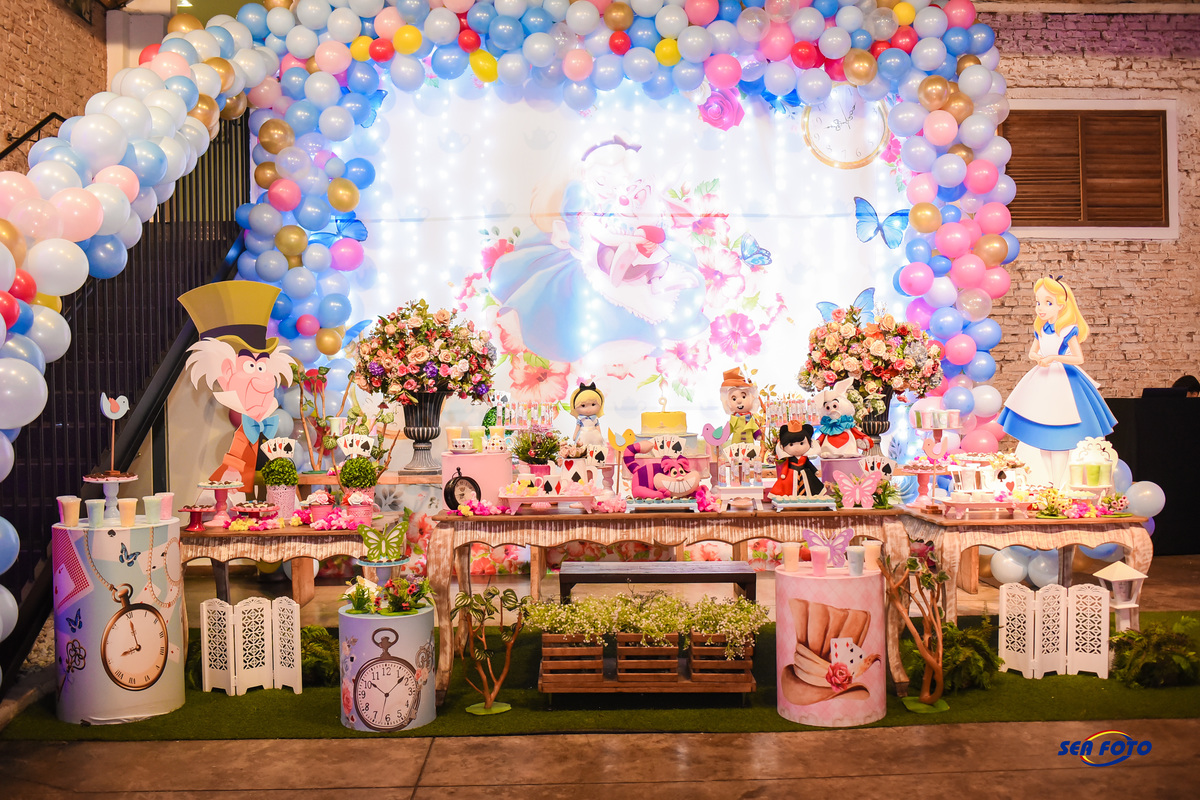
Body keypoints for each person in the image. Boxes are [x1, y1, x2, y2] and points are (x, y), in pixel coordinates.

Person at [998, 276, 1116, 486]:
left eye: (1048, 302)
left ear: (1061, 305)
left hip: (1064, 381)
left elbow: (1078, 358)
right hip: (1042, 378)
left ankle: (1059, 481)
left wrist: (1053, 357)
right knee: (1042, 433)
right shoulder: (1041, 328)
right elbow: (1032, 351)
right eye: (1038, 302)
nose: (1041, 308)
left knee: (1061, 429)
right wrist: (1038, 357)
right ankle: (1051, 481)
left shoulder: (1068, 330)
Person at [769, 421, 822, 497]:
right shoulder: (790, 459)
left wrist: (815, 471)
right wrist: (783, 474)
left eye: (801, 443)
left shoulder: (804, 458)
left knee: (809, 486)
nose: (797, 448)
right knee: (789, 488)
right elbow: (785, 466)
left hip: (805, 473)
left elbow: (809, 464)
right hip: (791, 474)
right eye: (791, 444)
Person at [569, 381, 606, 447]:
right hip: (583, 435)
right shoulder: (580, 418)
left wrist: (600, 435)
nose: (588, 410)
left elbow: (597, 426)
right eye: (583, 405)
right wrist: (575, 436)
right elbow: (577, 427)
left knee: (596, 447)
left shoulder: (595, 418)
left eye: (593, 404)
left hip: (595, 435)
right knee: (583, 447)